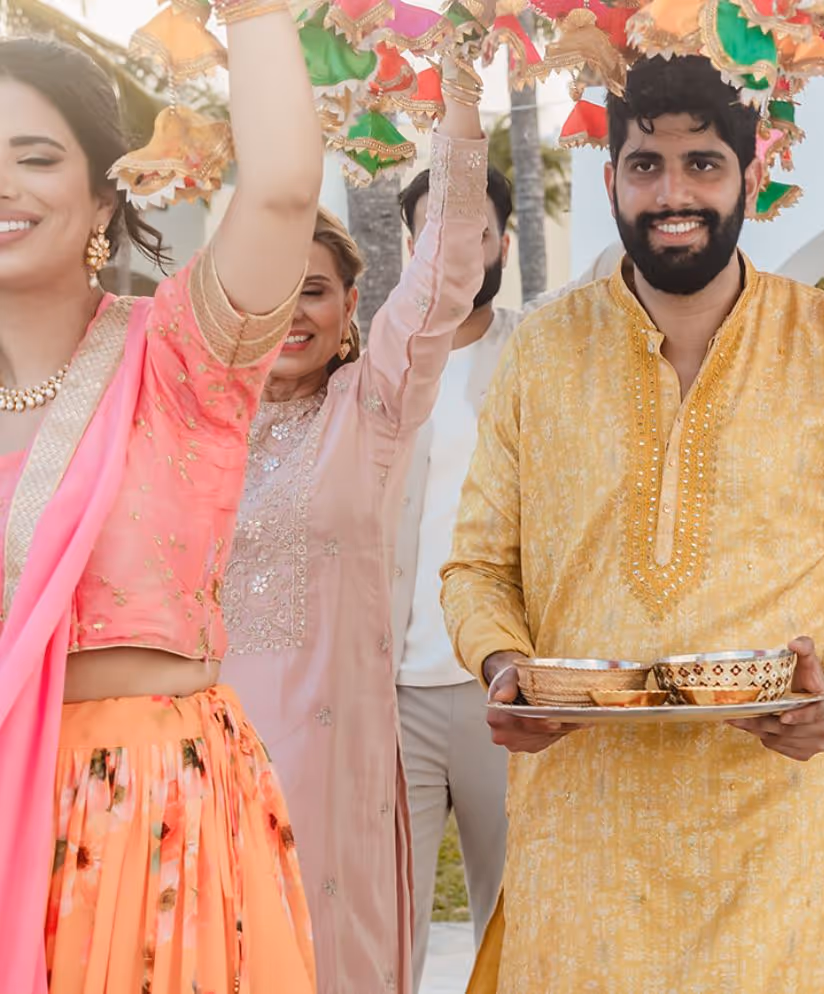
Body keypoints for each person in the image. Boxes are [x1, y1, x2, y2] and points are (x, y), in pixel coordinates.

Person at [441, 53, 824, 994]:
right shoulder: (543, 350)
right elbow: (476, 568)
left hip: (764, 832)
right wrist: (507, 669)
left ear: (751, 175)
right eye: (646, 165)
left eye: (702, 164)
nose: (673, 194)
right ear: (611, 180)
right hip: (580, 829)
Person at [0, 4, 323, 992]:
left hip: (144, 820)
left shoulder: (181, 360)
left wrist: (254, 15)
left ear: (105, 197)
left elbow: (280, 192)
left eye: (34, 157)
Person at [221, 69, 488, 994]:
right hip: (204, 748)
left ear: (346, 311)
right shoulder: (194, 422)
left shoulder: (368, 409)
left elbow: (445, 273)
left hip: (326, 759)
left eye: (315, 290)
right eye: (269, 286)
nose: (290, 311)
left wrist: (461, 103)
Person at [390, 160, 516, 993]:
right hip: (390, 696)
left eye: (475, 229)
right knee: (381, 924)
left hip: (502, 690)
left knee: (515, 924)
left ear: (503, 240)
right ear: (413, 247)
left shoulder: (540, 354)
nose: (457, 249)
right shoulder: (374, 365)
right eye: (435, 231)